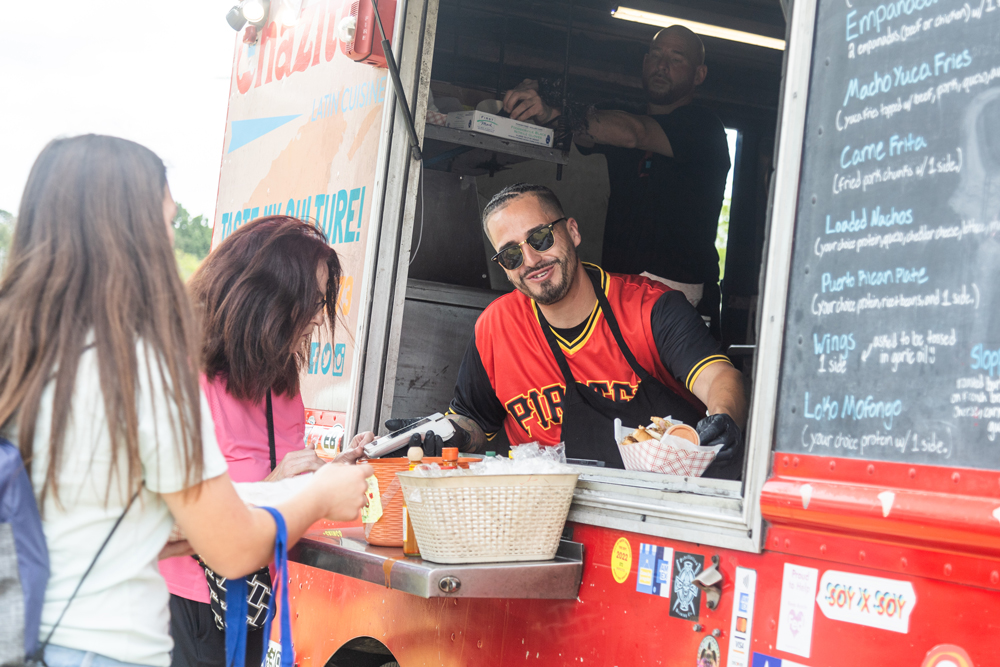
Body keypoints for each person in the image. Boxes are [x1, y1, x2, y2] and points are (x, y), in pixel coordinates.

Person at [0, 134, 373, 667]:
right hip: (110, 648)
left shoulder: (22, 353)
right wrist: (320, 492)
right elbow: (233, 548)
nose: (171, 241)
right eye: (167, 222)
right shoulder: (140, 367)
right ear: (124, 233)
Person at [160, 216, 373, 667]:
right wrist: (283, 488)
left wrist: (327, 472)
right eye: (311, 301)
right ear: (267, 297)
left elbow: (282, 478)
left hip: (256, 598)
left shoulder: (282, 385)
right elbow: (176, 520)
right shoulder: (186, 381)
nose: (318, 317)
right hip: (193, 603)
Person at [442, 183, 746, 479]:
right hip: (544, 511)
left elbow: (720, 376)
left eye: (541, 238)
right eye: (511, 255)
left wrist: (724, 417)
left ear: (572, 231)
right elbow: (474, 424)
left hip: (662, 504)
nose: (531, 261)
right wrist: (444, 433)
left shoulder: (649, 307)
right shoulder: (497, 325)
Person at [502, 25, 731, 338]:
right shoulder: (621, 115)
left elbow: (633, 133)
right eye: (656, 54)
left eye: (676, 58)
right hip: (622, 288)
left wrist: (557, 112)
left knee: (676, 384)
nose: (662, 64)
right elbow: (596, 126)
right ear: (644, 62)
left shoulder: (704, 127)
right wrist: (543, 96)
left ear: (699, 74)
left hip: (681, 292)